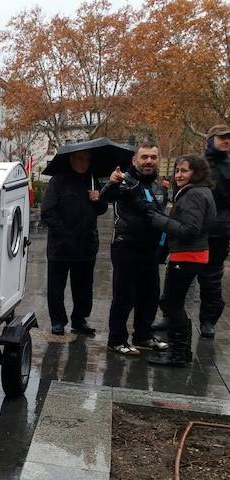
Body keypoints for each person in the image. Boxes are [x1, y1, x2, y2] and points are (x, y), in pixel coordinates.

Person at [142, 155, 215, 367]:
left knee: (172, 304)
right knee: (174, 303)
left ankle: (178, 353)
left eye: (184, 171)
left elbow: (190, 230)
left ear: (197, 172)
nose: (179, 175)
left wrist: (159, 220)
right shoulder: (200, 191)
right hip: (191, 254)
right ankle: (181, 351)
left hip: (187, 255)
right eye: (177, 171)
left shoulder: (195, 195)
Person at [99, 140, 169, 355]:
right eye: (144, 157)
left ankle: (143, 336)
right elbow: (105, 197)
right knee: (124, 296)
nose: (149, 161)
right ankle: (117, 340)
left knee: (150, 295)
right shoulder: (124, 180)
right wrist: (111, 183)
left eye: (153, 157)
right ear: (135, 160)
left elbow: (160, 214)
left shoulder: (159, 185)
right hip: (126, 246)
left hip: (151, 248)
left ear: (158, 160)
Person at [41, 149, 108, 335]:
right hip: (60, 247)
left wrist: (99, 199)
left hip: (86, 246)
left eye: (87, 159)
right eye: (80, 158)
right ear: (71, 159)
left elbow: (102, 209)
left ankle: (79, 320)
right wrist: (66, 234)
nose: (83, 163)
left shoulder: (94, 181)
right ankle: (58, 321)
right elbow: (47, 212)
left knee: (84, 288)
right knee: (56, 288)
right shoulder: (57, 181)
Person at [197, 124, 230, 338]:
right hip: (193, 228)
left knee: (211, 279)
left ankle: (208, 320)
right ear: (211, 139)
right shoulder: (197, 164)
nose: (227, 141)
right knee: (180, 276)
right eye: (222, 137)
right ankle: (170, 316)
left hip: (219, 231)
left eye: (229, 138)